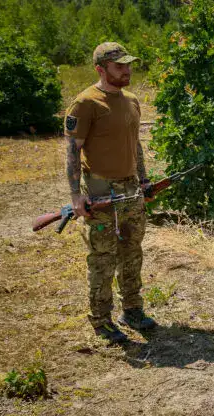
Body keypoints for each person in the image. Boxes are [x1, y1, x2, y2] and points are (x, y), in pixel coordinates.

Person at [64, 42, 156, 344]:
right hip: (101, 190)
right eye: (119, 66)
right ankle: (101, 320)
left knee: (132, 251)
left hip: (130, 189)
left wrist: (144, 180)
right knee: (103, 257)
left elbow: (135, 144)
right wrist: (76, 195)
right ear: (100, 69)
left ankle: (132, 310)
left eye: (128, 65)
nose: (127, 70)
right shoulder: (85, 103)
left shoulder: (131, 100)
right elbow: (72, 152)